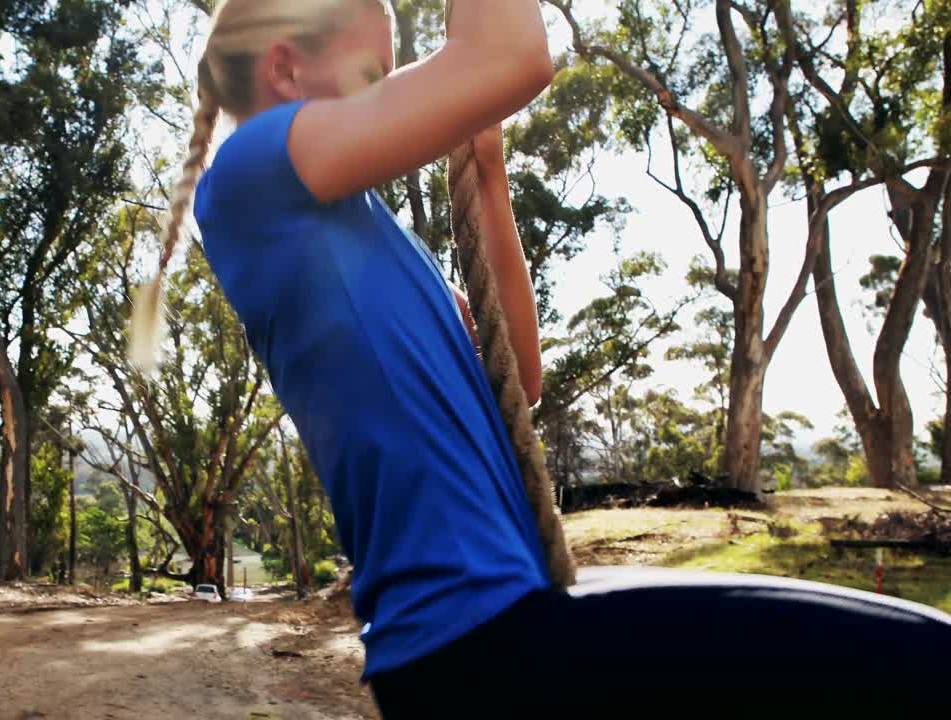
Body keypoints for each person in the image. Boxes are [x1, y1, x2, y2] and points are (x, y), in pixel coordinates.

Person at [129, 0, 951, 713]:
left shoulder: (366, 237)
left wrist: (486, 168)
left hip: (507, 620)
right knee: (922, 665)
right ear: (284, 68)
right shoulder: (248, 177)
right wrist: (474, 74)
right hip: (473, 641)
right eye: (376, 77)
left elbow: (517, 377)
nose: (398, 94)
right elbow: (513, 57)